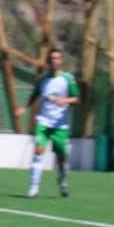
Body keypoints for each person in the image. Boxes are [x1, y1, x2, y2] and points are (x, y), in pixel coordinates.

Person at [26, 47, 78, 198]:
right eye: (51, 58)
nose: (54, 61)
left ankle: (62, 180)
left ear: (62, 61)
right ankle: (33, 188)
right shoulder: (43, 80)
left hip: (60, 125)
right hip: (43, 121)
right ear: (48, 61)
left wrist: (64, 100)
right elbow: (34, 95)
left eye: (57, 58)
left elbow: (77, 99)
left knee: (63, 159)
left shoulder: (67, 79)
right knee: (38, 151)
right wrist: (24, 108)